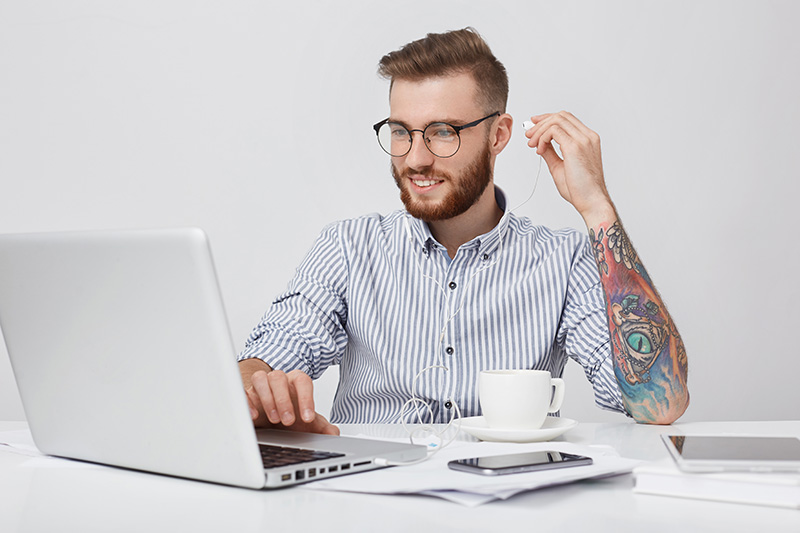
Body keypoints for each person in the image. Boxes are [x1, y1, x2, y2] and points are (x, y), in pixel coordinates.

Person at [237, 28, 689, 435]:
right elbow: (262, 361)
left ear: (498, 135)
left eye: (442, 132)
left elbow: (660, 403)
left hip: (510, 491)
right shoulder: (348, 248)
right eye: (401, 131)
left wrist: (597, 209)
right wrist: (258, 390)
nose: (416, 159)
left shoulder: (563, 261)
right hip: (374, 490)